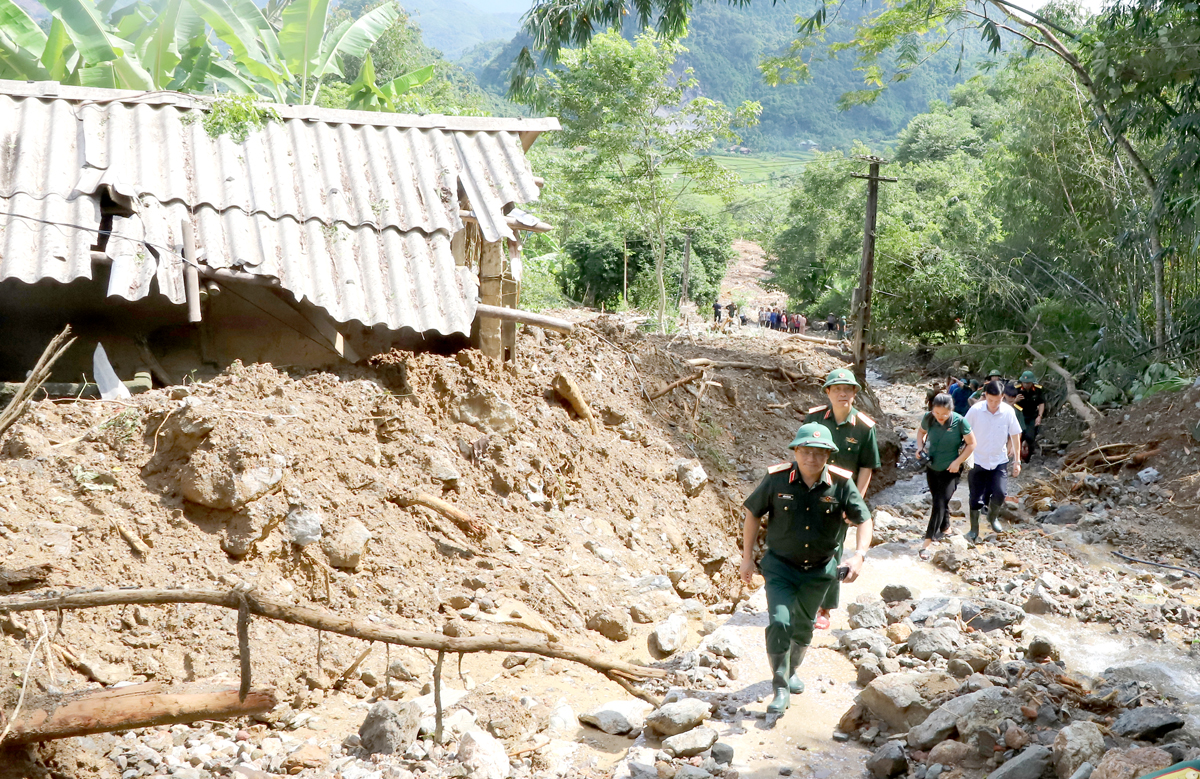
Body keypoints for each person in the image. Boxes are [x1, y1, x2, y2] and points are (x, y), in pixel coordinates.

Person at [740, 423, 873, 715]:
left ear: (829, 455)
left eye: (819, 453)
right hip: (780, 568)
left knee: (803, 626)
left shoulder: (841, 483)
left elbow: (863, 519)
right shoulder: (776, 480)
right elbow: (752, 513)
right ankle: (780, 686)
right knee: (780, 621)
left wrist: (859, 555)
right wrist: (747, 557)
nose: (812, 459)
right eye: (806, 452)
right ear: (795, 451)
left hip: (819, 570)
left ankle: (791, 669)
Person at [804, 368, 880, 630]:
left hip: (841, 498)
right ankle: (801, 600)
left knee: (832, 551)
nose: (842, 393)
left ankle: (824, 607)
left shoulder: (864, 428)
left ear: (855, 394)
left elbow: (867, 468)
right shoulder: (814, 419)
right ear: (828, 392)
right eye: (837, 389)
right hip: (812, 493)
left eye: (848, 389)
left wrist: (854, 502)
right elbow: (803, 455)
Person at [916, 393, 976, 560]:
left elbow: (972, 444)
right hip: (932, 467)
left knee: (939, 503)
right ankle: (946, 528)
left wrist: (958, 462)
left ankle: (926, 543)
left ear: (951, 410)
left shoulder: (960, 422)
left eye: (944, 414)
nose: (940, 417)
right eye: (936, 413)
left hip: (952, 469)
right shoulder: (928, 418)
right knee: (939, 499)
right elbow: (920, 432)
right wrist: (919, 448)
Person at [963, 381, 1023, 542]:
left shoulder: (1008, 412)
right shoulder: (976, 410)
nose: (994, 404)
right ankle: (973, 529)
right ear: (986, 396)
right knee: (975, 497)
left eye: (997, 401)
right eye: (991, 400)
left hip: (999, 459)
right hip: (976, 458)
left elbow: (1016, 434)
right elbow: (963, 429)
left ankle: (992, 517)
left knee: (1000, 493)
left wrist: (1017, 461)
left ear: (1002, 397)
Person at [1014, 371, 1045, 461]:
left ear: (1032, 382)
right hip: (1020, 416)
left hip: (1032, 415)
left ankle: (1029, 455)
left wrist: (1040, 416)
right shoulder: (1016, 389)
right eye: (1024, 382)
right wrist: (1015, 400)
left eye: (1028, 383)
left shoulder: (1038, 390)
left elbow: (1041, 403)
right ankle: (1018, 456)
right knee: (1019, 435)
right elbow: (1008, 403)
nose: (1026, 384)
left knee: (1030, 436)